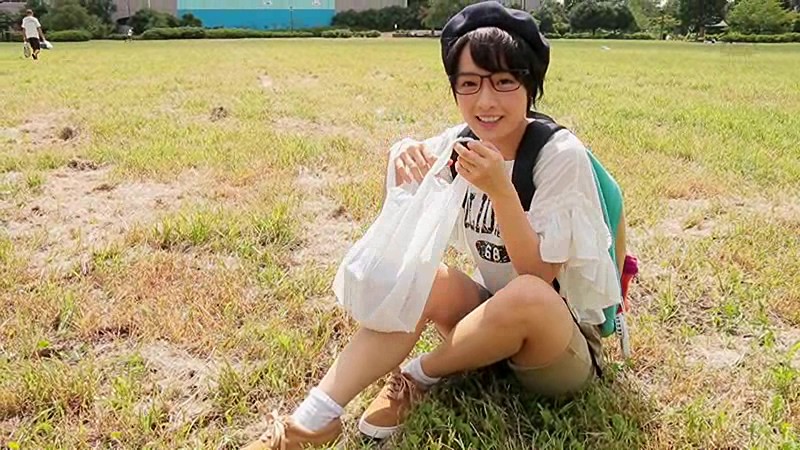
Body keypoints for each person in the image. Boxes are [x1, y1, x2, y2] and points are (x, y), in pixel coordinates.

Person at [243, 2, 626, 449]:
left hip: (557, 348)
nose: (486, 101)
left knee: (527, 293)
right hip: (490, 328)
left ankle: (420, 375)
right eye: (469, 84)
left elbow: (539, 276)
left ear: (530, 85)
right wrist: (402, 151)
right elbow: (405, 195)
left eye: (504, 82)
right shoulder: (459, 142)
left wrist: (502, 191)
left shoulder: (559, 156)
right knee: (424, 277)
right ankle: (313, 420)